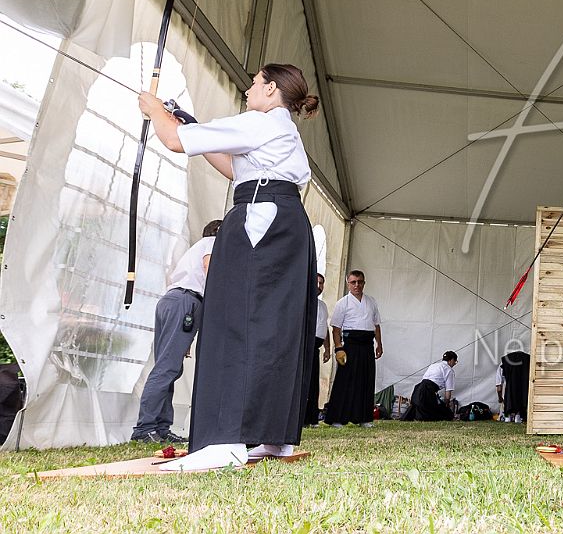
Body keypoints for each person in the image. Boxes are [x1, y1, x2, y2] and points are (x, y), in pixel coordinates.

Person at [138, 64, 320, 470]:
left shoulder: (260, 122)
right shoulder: (281, 130)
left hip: (259, 221)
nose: (248, 89)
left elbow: (173, 141)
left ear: (271, 89)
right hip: (284, 222)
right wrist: (191, 125)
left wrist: (154, 110)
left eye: (255, 83)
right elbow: (234, 169)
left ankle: (225, 439)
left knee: (233, 321)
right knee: (274, 328)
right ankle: (272, 436)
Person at [129, 219, 220, 444]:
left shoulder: (196, 248)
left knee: (170, 367)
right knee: (167, 368)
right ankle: (144, 428)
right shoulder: (212, 243)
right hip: (186, 302)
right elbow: (210, 271)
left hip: (174, 301)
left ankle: (161, 427)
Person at [324, 270, 382, 427]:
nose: (357, 285)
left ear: (364, 283)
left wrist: (379, 344)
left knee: (366, 380)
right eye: (353, 282)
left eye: (360, 282)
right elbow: (336, 329)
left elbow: (376, 325)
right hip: (350, 345)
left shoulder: (371, 301)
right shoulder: (342, 303)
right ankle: (337, 418)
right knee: (345, 381)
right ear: (348, 283)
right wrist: (338, 348)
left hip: (367, 345)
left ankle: (364, 418)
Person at [304, 274, 332, 426]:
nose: (319, 286)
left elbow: (324, 327)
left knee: (314, 384)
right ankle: (301, 418)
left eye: (322, 283)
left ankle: (312, 418)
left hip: (316, 347)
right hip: (303, 347)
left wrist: (327, 348)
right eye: (317, 282)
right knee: (304, 383)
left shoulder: (322, 305)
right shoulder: (303, 301)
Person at [405, 351, 458, 421]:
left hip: (418, 389)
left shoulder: (433, 365)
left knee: (420, 408)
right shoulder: (449, 370)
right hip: (428, 392)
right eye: (455, 361)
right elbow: (448, 391)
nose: (454, 364)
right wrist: (447, 404)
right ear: (451, 360)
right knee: (446, 414)